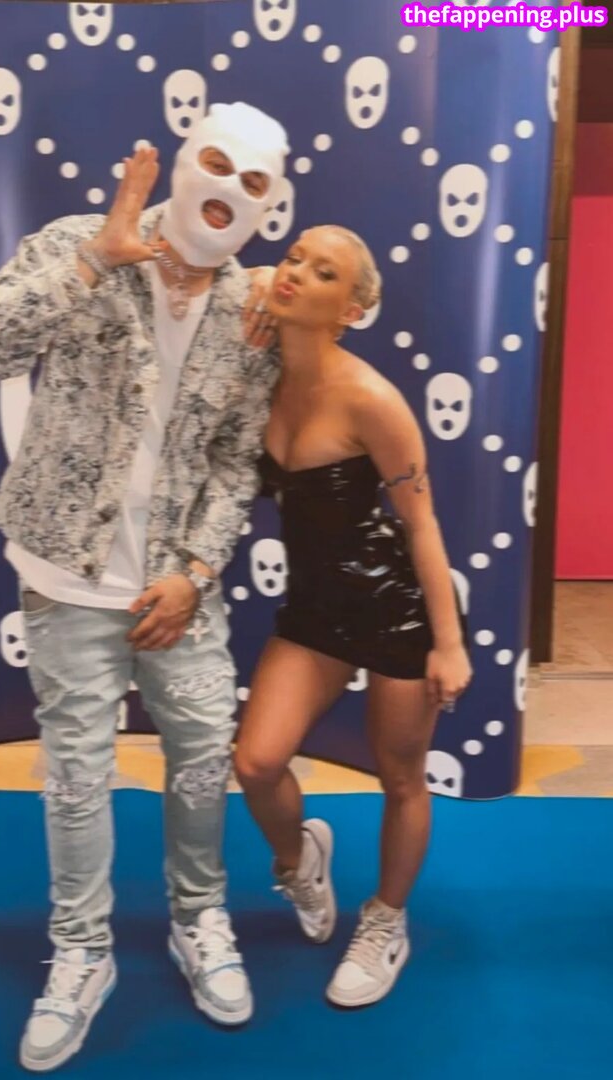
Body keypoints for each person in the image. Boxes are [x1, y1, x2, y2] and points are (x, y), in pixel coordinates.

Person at [0, 102, 289, 1072]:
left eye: (253, 182)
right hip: (67, 576)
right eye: (216, 164)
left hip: (180, 589)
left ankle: (199, 918)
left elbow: (237, 462)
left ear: (270, 202)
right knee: (76, 776)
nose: (228, 190)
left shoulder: (252, 310)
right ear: (179, 164)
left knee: (200, 763)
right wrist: (95, 258)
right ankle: (81, 952)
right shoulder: (82, 243)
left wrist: (196, 571)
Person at [234, 225, 473, 1009]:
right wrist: (253, 285)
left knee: (400, 778)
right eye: (294, 257)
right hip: (313, 610)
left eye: (324, 271)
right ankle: (299, 859)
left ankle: (385, 921)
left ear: (353, 309)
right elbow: (215, 280)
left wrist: (449, 644)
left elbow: (421, 523)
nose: (296, 273)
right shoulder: (257, 372)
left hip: (394, 608)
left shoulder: (372, 398)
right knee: (256, 764)